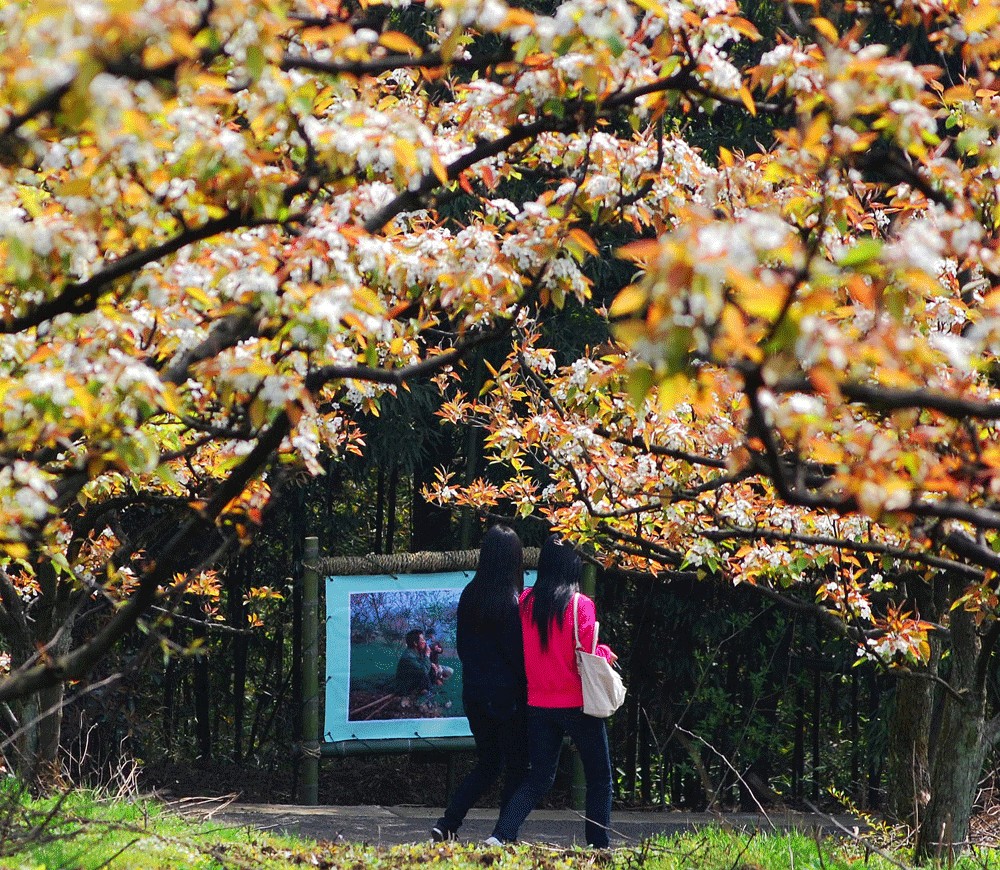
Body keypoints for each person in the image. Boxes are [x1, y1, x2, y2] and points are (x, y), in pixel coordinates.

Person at [488, 534, 617, 848]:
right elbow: (585, 654)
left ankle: (501, 835)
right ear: (574, 564)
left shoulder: (526, 602)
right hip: (578, 703)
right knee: (600, 777)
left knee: (539, 777)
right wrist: (604, 652)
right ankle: (598, 845)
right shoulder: (580, 605)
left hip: (539, 704)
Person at [431, 524, 530, 842]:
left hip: (473, 694)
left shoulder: (469, 595)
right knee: (516, 766)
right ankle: (505, 835)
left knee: (487, 764)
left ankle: (447, 824)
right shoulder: (511, 603)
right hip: (505, 699)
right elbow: (518, 658)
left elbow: (461, 648)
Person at [395, 629, 448, 694]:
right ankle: (428, 691)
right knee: (427, 673)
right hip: (405, 685)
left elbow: (421, 664)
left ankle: (432, 688)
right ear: (415, 643)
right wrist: (427, 655)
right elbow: (423, 671)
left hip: (413, 680)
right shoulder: (409, 656)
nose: (425, 642)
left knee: (432, 669)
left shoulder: (415, 652)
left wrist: (431, 664)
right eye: (423, 640)